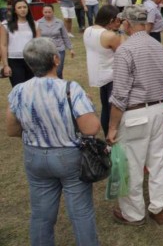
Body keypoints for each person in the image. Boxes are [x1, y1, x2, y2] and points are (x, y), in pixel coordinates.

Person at [6, 37, 101, 246]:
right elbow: (91, 127)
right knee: (81, 213)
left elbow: (12, 129)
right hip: (69, 156)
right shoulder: (70, 89)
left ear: (30, 63)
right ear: (56, 60)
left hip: (35, 156)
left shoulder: (18, 91)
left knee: (41, 215)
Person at [107, 5, 163, 226]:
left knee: (132, 166)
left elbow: (119, 95)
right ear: (144, 23)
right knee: (159, 161)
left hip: (135, 113)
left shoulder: (125, 51)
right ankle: (160, 207)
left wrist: (112, 127)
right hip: (157, 111)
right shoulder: (159, 48)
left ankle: (134, 213)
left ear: (127, 23)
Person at [83, 5, 122, 136]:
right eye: (118, 21)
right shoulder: (110, 36)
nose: (120, 23)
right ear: (111, 20)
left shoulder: (88, 30)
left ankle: (107, 137)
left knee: (106, 108)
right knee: (114, 110)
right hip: (111, 76)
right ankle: (113, 136)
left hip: (98, 75)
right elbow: (123, 54)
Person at [1, 0, 38, 87]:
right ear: (15, 10)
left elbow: (38, 45)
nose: (22, 9)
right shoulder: (6, 25)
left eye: (25, 7)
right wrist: (5, 65)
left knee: (31, 88)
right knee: (18, 88)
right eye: (19, 7)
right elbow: (3, 45)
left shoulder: (35, 24)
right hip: (14, 61)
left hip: (30, 60)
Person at [37, 4, 74, 79]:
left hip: (59, 49)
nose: (47, 14)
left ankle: (60, 87)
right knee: (47, 71)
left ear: (53, 12)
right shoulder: (38, 23)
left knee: (58, 71)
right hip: (45, 51)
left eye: (49, 12)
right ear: (42, 12)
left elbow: (65, 36)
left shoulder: (59, 22)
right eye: (45, 12)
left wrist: (71, 48)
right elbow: (37, 39)